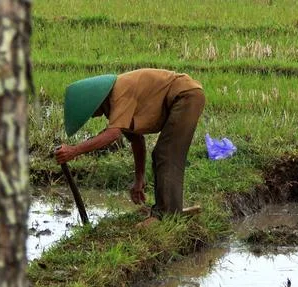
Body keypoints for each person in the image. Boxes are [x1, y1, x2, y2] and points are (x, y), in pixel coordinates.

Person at [55, 68, 205, 226]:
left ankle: (165, 215)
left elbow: (112, 134)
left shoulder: (119, 91)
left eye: (89, 111)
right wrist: (139, 179)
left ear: (94, 100)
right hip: (184, 96)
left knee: (166, 153)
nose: (91, 116)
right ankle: (169, 211)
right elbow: (137, 140)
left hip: (185, 96)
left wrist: (74, 151)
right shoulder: (115, 105)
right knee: (163, 153)